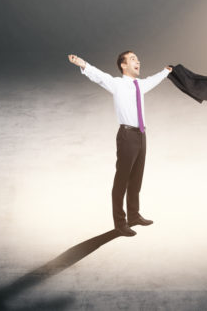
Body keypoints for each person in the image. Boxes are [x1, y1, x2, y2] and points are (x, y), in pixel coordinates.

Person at [67, 51, 171, 237]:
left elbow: (152, 80)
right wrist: (83, 64)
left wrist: (165, 72)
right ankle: (120, 223)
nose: (137, 61)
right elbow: (98, 76)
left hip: (141, 135)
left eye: (138, 59)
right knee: (121, 181)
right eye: (132, 59)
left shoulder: (140, 85)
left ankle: (134, 215)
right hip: (127, 136)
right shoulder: (117, 84)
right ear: (123, 65)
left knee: (136, 179)